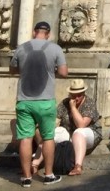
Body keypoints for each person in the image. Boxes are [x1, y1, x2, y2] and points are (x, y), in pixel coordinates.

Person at [10, 20, 67, 187]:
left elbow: (12, 70)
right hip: (45, 100)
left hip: (24, 101)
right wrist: (51, 70)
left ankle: (26, 177)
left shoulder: (21, 48)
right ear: (48, 34)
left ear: (34, 32)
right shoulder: (55, 48)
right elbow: (64, 72)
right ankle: (48, 175)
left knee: (26, 138)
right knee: (48, 137)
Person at [56, 79, 101, 176]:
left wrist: (73, 108)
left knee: (78, 132)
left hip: (89, 134)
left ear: (84, 93)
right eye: (73, 94)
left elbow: (81, 125)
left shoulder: (89, 103)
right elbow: (56, 120)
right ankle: (35, 164)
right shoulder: (64, 102)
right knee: (54, 132)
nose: (76, 98)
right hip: (69, 134)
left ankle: (78, 166)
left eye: (79, 95)